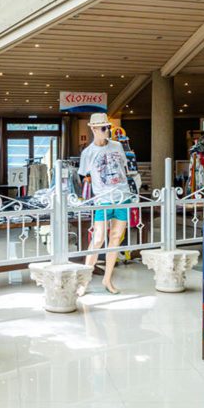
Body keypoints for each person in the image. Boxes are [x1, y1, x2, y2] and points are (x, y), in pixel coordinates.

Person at [79, 113, 131, 294]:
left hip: (123, 197)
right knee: (98, 238)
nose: (107, 130)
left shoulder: (117, 146)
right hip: (102, 199)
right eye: (103, 128)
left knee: (116, 238)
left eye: (108, 127)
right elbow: (84, 175)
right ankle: (84, 280)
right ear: (93, 129)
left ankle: (107, 279)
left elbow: (123, 169)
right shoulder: (87, 153)